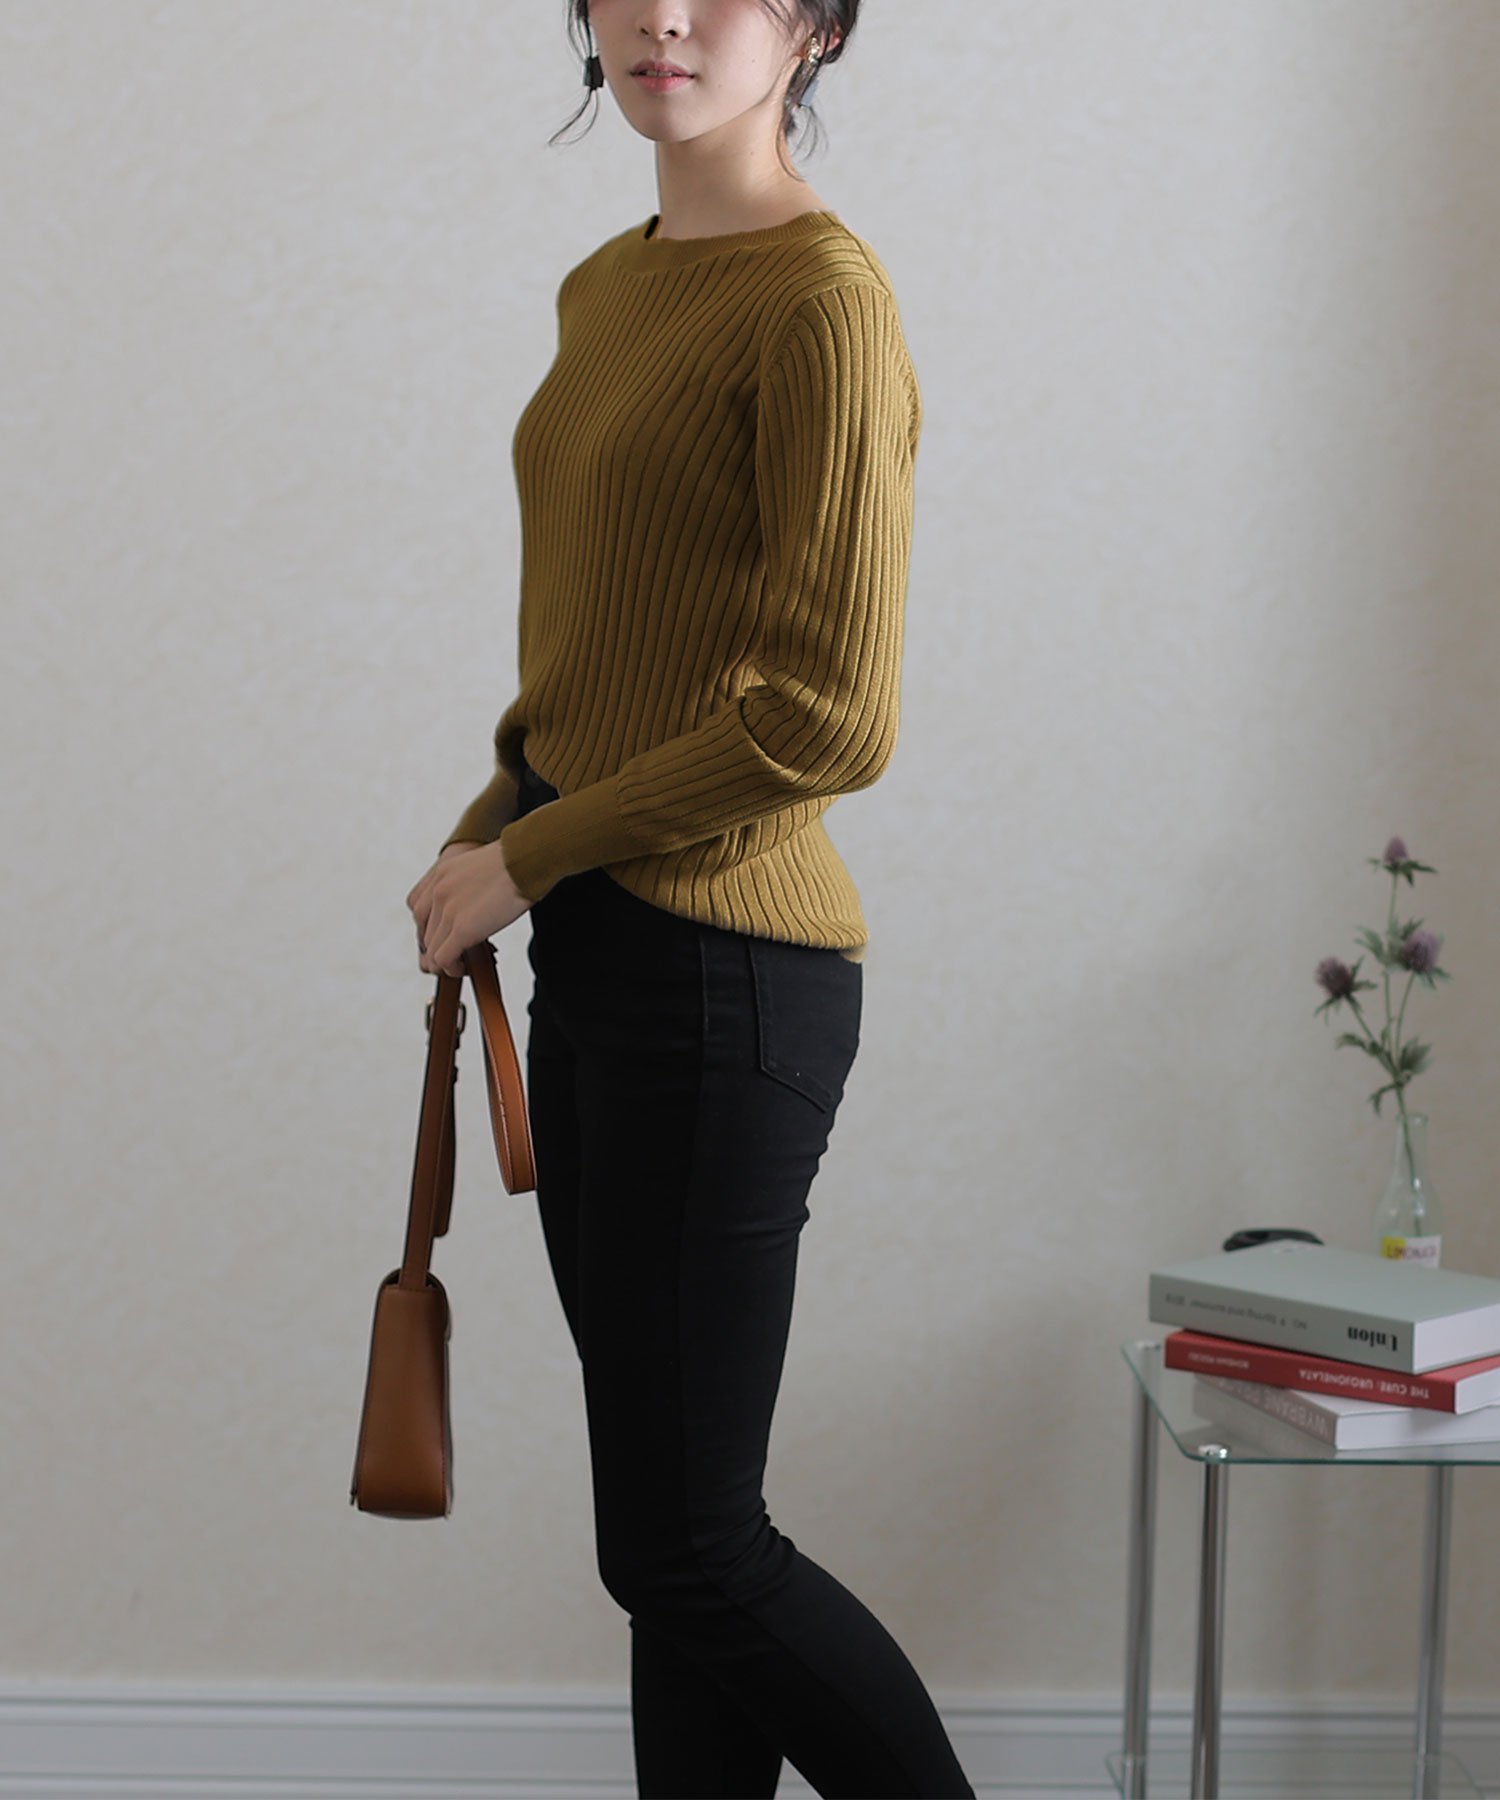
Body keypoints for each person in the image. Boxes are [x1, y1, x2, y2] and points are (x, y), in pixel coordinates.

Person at [406, 5, 973, 1795]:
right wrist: (495, 829)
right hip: (601, 954)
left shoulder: (824, 303)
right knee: (672, 1557)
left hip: (727, 973)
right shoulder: (612, 286)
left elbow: (829, 717)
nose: (665, 14)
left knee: (686, 1546)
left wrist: (529, 853)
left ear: (815, 28)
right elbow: (611, 662)